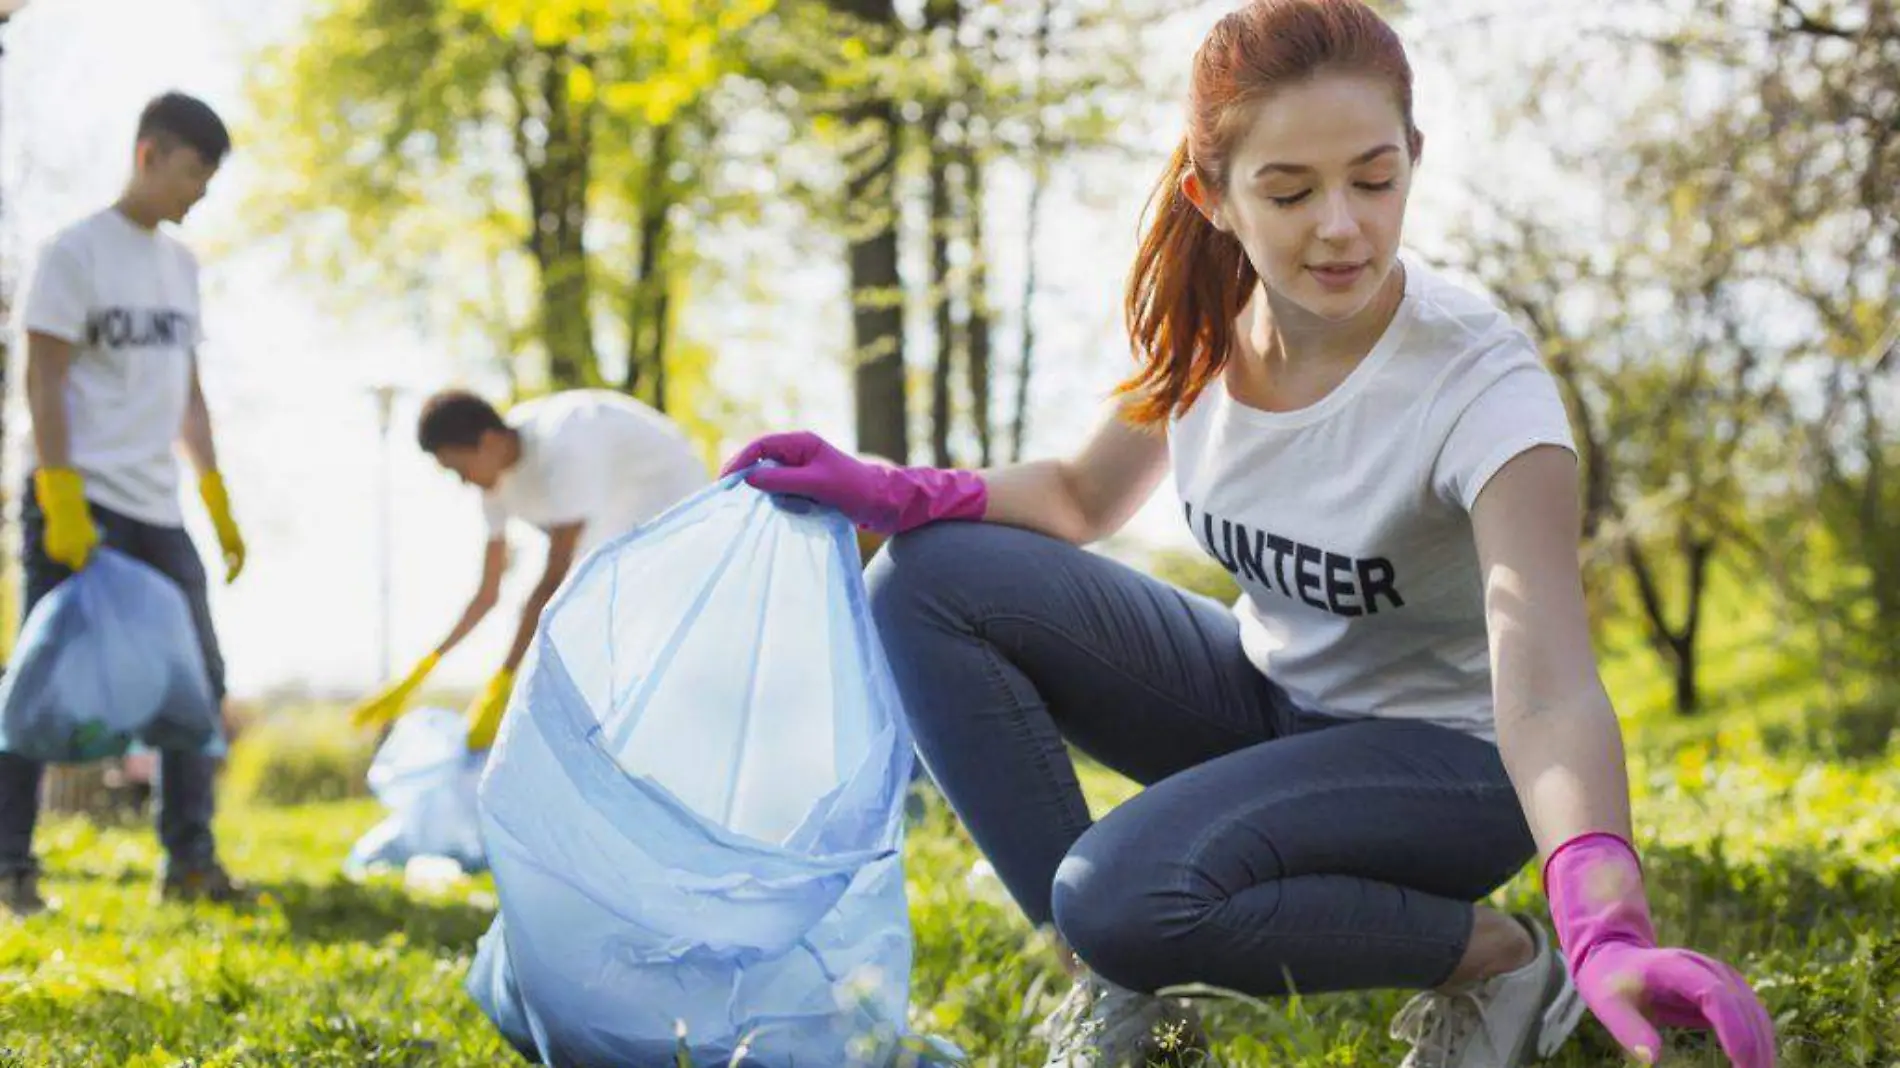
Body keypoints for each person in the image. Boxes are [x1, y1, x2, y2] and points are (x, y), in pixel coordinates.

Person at [719, 3, 1779, 1067]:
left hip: (1450, 771)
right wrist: (886, 490)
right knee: (926, 578)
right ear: (1211, 195)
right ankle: (1136, 1010)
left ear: (1413, 157)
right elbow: (1079, 500)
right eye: (1289, 190)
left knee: (1115, 892)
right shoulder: (1205, 328)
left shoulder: (1483, 391)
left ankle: (1498, 959)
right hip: (1268, 700)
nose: (1341, 227)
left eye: (1374, 179)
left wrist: (1607, 921)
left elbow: (1546, 689)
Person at [2, 91, 251, 916]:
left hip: (156, 506)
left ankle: (188, 861)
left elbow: (189, 391)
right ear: (148, 154)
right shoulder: (72, 253)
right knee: (43, 683)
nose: (198, 195)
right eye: (191, 175)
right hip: (76, 500)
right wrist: (58, 491)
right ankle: (9, 867)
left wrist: (213, 492)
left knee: (199, 678)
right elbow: (43, 374)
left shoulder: (182, 267)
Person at [348, 388, 710, 749]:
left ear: (488, 442)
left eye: (460, 468)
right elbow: (487, 594)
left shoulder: (567, 445)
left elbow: (553, 578)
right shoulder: (494, 483)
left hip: (677, 508)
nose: (463, 481)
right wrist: (421, 672)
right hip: (616, 525)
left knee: (647, 644)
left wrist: (504, 680)